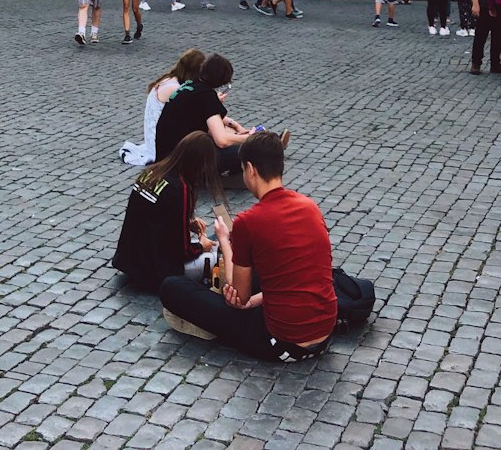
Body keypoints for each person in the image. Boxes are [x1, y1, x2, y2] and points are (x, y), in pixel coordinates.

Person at [159, 131, 337, 361]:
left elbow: (239, 297)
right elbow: (302, 276)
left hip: (281, 341)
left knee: (172, 287)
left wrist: (224, 238)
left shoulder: (248, 221)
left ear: (250, 170)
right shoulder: (309, 206)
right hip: (323, 333)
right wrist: (255, 299)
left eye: (243, 170)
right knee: (267, 272)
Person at [113, 132, 221, 291]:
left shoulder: (153, 172)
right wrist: (200, 246)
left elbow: (154, 219)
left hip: (129, 259)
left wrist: (185, 223)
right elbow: (183, 251)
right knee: (218, 255)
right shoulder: (179, 187)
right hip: (155, 270)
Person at [155, 53, 260, 176]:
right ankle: (259, 151)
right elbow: (222, 140)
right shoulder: (207, 96)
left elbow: (207, 126)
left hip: (165, 158)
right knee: (248, 151)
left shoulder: (189, 86)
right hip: (183, 163)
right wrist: (247, 140)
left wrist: (235, 131)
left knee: (229, 137)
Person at [119, 48, 205, 167]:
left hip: (156, 136)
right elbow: (196, 111)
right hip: (160, 143)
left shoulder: (169, 79)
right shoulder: (174, 88)